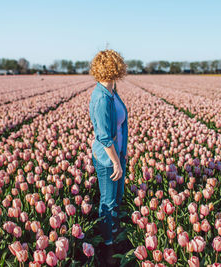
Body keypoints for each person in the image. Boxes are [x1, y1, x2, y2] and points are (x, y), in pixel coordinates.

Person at [88, 49, 128, 265]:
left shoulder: (111, 91)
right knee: (108, 200)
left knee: (116, 197)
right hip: (107, 159)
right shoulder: (102, 98)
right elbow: (103, 136)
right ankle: (108, 243)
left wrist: (122, 154)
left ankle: (112, 230)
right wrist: (115, 162)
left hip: (117, 154)